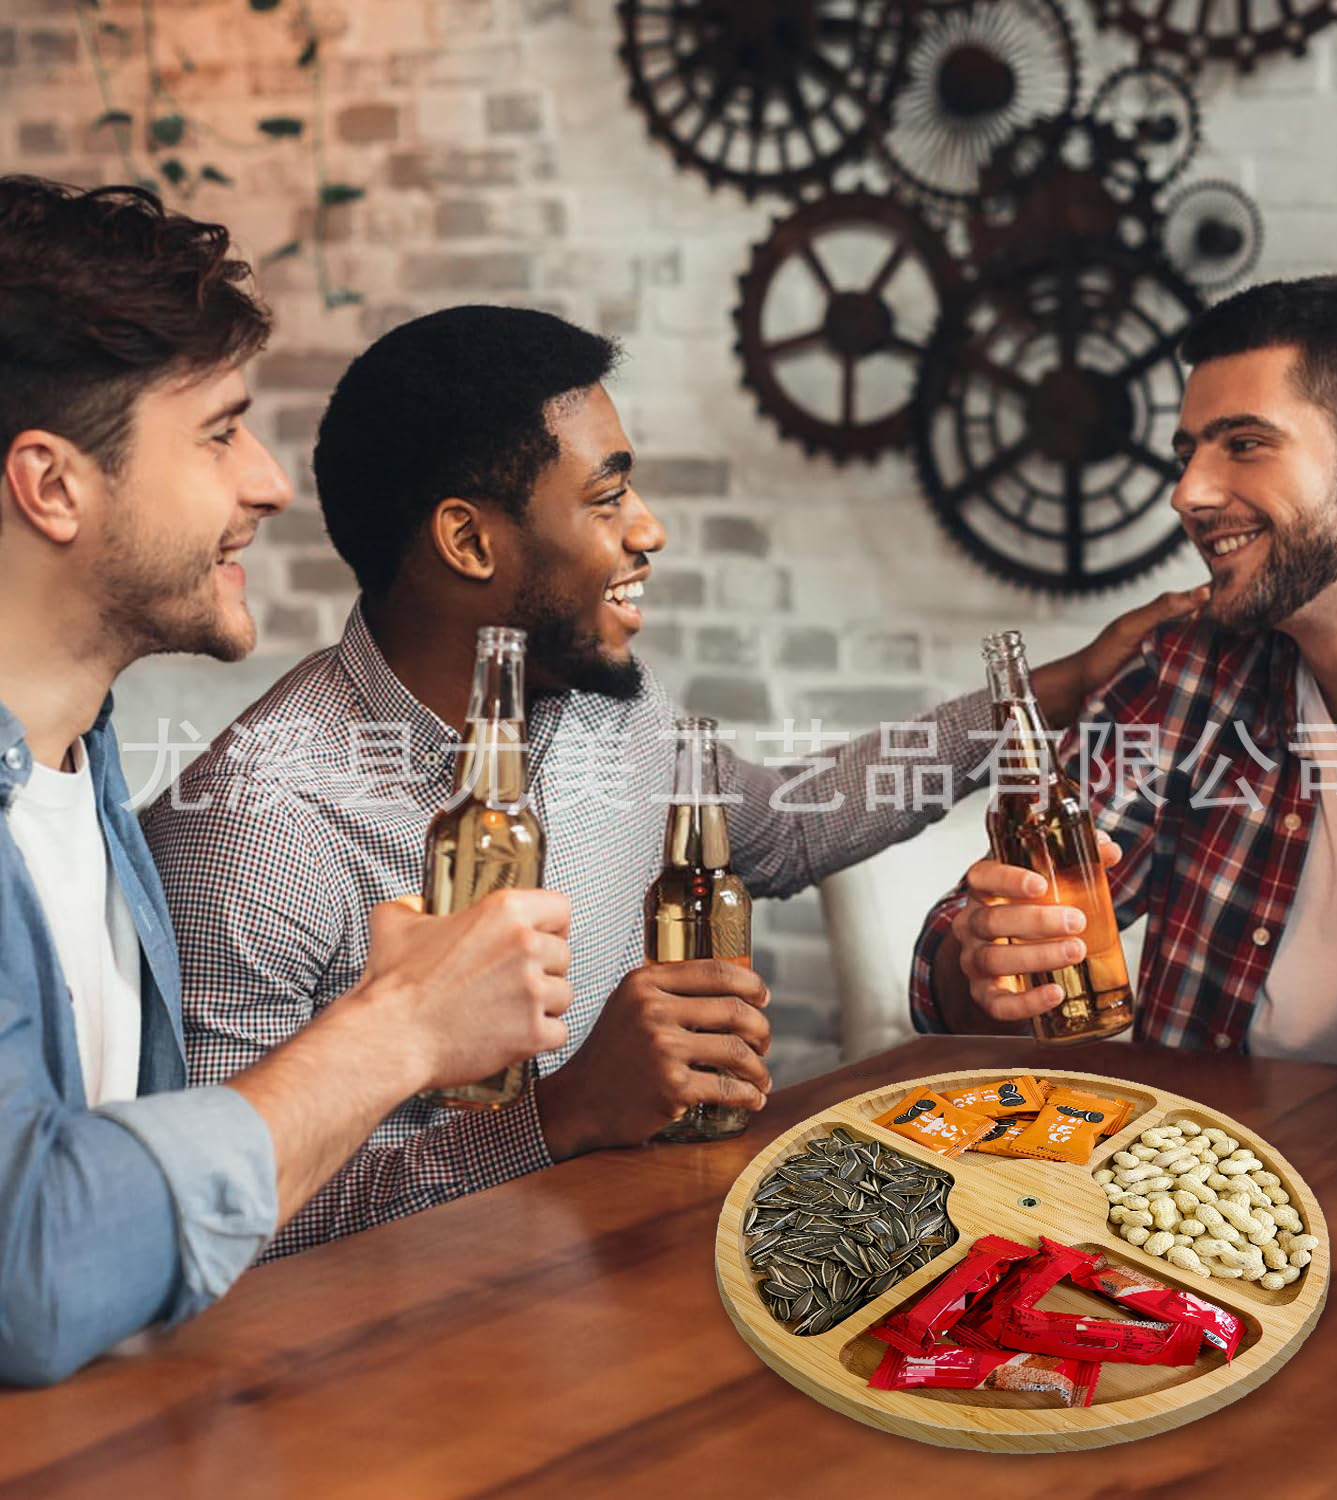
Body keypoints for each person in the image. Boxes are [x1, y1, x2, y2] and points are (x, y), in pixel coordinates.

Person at [143, 302, 1204, 1259]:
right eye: (607, 497)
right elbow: (220, 1226)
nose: (648, 529)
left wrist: (1053, 691)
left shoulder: (607, 705)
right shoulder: (254, 827)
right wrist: (559, 1117)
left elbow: (785, 827)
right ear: (468, 539)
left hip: (627, 1275)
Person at [0, 178, 576, 1387]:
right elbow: (34, 1269)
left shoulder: (85, 778)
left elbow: (164, 1255)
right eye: (219, 433)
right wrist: (400, 1029)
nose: (266, 482)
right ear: (52, 486)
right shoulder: (237, 807)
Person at [912, 274, 1337, 1079]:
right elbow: (965, 964)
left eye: (1245, 444)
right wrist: (984, 966)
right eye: (1187, 454)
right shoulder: (1187, 667)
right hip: (1202, 1157)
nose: (1187, 494)